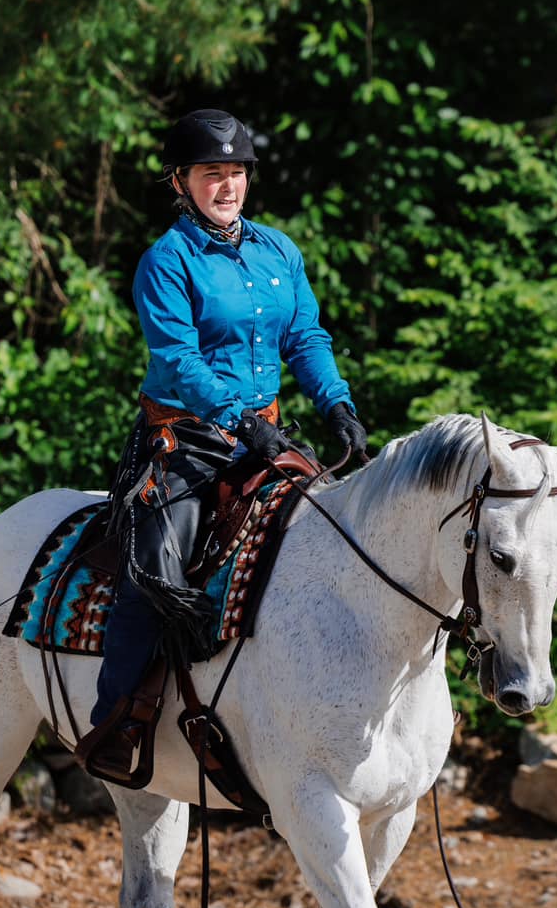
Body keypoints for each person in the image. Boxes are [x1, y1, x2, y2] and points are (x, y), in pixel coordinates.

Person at [77, 108, 368, 780]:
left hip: (263, 440)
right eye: (214, 173)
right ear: (181, 181)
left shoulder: (279, 251)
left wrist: (336, 401)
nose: (228, 185)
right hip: (186, 445)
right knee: (155, 577)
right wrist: (242, 419)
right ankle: (115, 724)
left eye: (236, 172)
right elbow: (178, 359)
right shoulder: (166, 261)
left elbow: (305, 339)